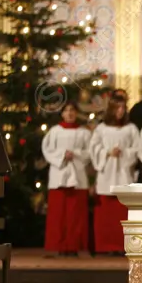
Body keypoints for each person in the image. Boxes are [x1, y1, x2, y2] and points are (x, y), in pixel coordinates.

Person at [90, 96, 139, 255]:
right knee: (107, 216)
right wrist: (107, 152)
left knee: (122, 214)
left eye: (123, 108)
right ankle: (106, 246)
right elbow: (94, 148)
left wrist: (124, 153)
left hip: (124, 173)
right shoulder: (102, 128)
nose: (120, 111)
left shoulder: (131, 128)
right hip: (107, 172)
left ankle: (123, 245)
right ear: (111, 109)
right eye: (117, 108)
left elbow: (137, 148)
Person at [42, 102, 92, 256]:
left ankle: (74, 246)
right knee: (59, 215)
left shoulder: (84, 133)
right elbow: (47, 150)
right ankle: (58, 245)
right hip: (59, 175)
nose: (70, 113)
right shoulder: (55, 132)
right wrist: (63, 155)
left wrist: (75, 154)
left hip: (77, 176)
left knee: (75, 215)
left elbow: (90, 152)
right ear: (62, 114)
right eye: (67, 110)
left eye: (72, 110)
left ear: (76, 113)